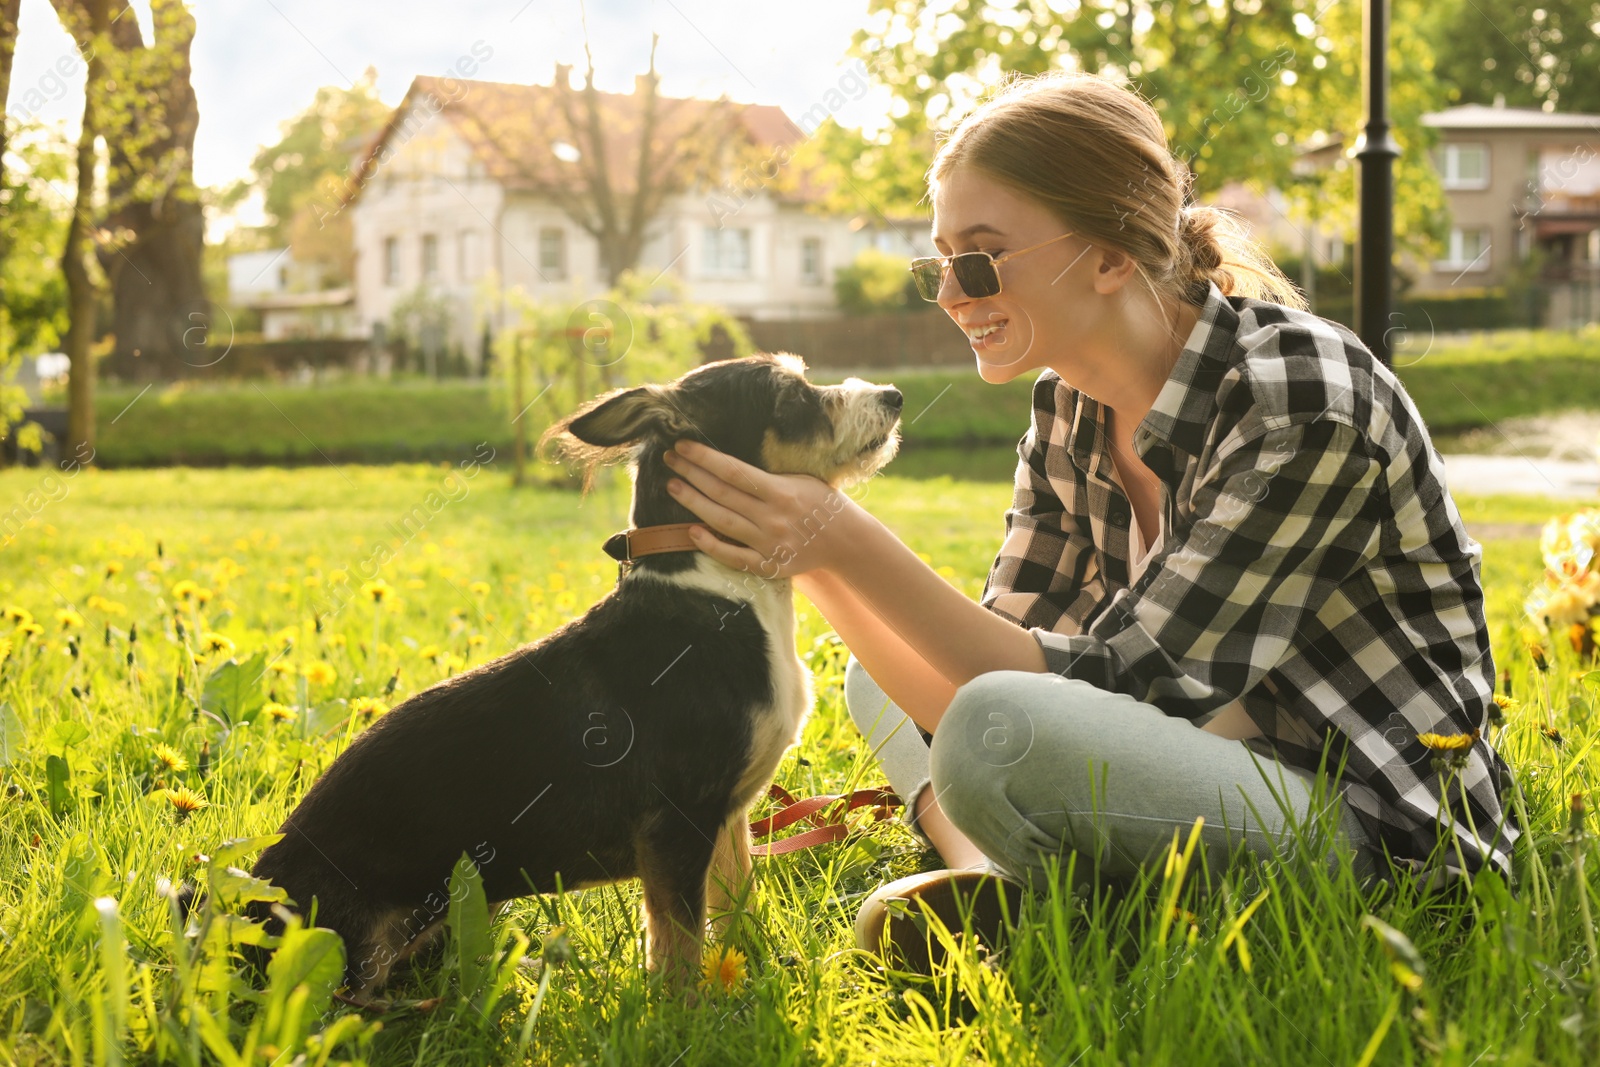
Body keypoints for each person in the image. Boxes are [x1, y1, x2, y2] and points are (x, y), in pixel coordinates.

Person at [658, 71, 1516, 965]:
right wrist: (811, 557)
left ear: (1110, 256)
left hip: (1370, 833)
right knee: (888, 677)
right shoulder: (1067, 407)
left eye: (981, 259)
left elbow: (1116, 686)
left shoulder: (1297, 400)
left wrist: (843, 536)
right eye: (938, 265)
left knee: (997, 734)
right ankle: (992, 881)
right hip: (1199, 765)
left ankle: (1063, 905)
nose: (953, 295)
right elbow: (990, 657)